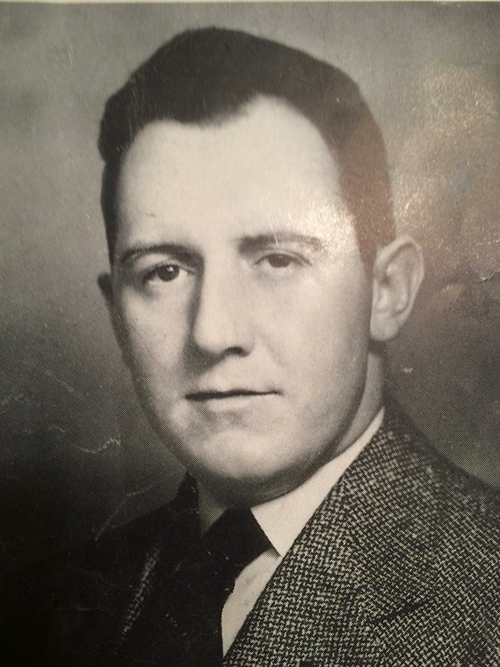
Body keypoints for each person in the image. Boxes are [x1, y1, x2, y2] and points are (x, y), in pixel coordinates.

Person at [2, 27, 500, 667]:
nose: (214, 333)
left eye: (278, 259)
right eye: (164, 272)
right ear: (116, 315)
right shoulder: (39, 609)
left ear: (387, 290)